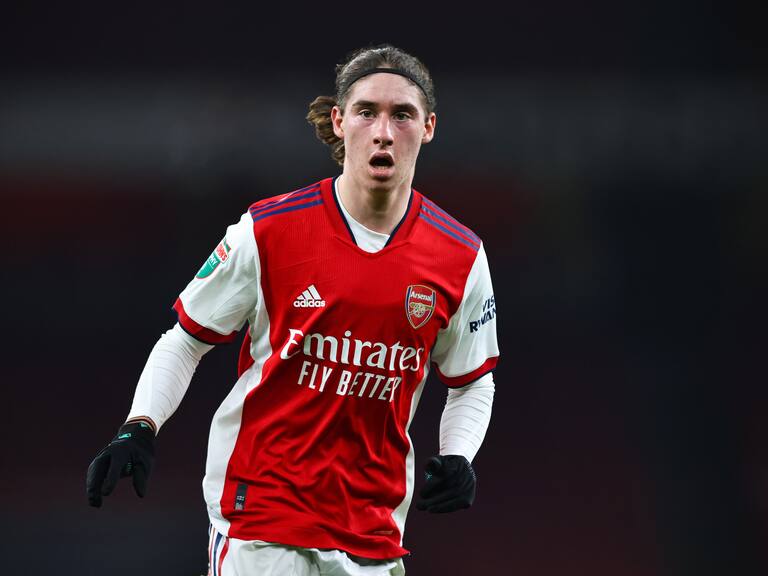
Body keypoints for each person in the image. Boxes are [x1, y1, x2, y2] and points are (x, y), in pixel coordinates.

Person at [86, 44, 499, 576]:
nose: (383, 131)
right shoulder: (269, 230)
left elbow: (472, 380)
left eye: (402, 115)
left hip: (371, 530)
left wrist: (460, 455)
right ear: (339, 121)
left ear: (429, 128)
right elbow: (186, 338)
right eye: (367, 111)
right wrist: (139, 426)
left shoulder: (460, 255)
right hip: (261, 517)